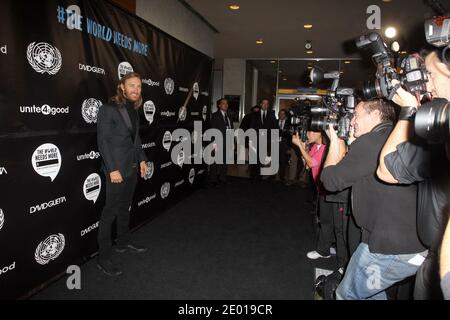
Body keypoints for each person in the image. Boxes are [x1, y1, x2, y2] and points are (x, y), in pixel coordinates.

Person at [320, 99, 426, 300]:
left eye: (356, 116)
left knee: (347, 295)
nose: (351, 121)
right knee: (370, 295)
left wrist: (335, 140)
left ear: (376, 115)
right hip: (406, 243)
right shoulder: (391, 136)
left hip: (390, 248)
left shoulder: (372, 141)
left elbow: (330, 181)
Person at [377, 47, 450, 299]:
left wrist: (408, 110)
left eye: (429, 73)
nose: (426, 81)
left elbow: (386, 169)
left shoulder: (440, 129)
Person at [96, 72, 149, 277]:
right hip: (116, 170)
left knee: (124, 207)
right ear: (122, 87)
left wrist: (142, 159)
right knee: (109, 212)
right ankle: (104, 257)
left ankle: (123, 242)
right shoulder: (108, 109)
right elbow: (103, 141)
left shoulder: (134, 109)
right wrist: (112, 169)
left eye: (139, 86)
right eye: (132, 85)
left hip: (131, 167)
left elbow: (135, 139)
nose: (136, 90)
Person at [292, 130, 333, 259]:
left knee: (326, 220)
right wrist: (304, 148)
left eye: (311, 131)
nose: (308, 134)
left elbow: (311, 162)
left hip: (328, 190)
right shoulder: (316, 146)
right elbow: (307, 165)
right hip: (320, 188)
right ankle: (327, 246)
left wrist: (299, 145)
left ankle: (324, 251)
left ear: (321, 133)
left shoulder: (326, 148)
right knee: (325, 220)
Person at [249, 99, 278, 179]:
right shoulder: (255, 114)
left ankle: (260, 175)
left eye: (267, 104)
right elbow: (252, 126)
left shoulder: (271, 115)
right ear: (260, 104)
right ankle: (253, 175)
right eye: (264, 103)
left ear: (268, 105)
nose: (265, 105)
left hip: (266, 140)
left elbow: (275, 127)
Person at [209, 98, 232, 186]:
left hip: (227, 142)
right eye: (223, 103)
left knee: (225, 162)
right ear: (219, 105)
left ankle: (223, 178)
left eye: (227, 103)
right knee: (215, 163)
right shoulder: (215, 116)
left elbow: (230, 129)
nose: (226, 105)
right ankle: (213, 180)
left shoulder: (229, 116)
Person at [277, 109, 291, 183]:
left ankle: (282, 176)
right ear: (278, 114)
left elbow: (290, 136)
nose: (281, 115)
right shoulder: (275, 122)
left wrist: (289, 148)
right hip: (276, 143)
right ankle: (273, 175)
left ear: (285, 115)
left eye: (283, 114)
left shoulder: (289, 123)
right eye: (280, 114)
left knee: (283, 160)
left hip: (284, 144)